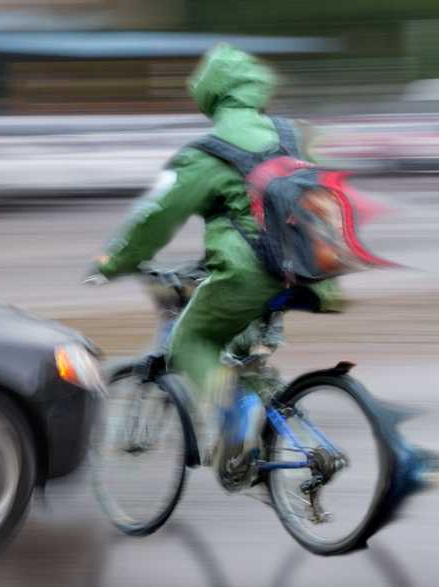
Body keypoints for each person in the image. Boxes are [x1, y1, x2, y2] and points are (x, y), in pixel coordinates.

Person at [87, 44, 342, 450]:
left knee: (189, 339)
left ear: (210, 92)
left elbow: (156, 218)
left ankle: (235, 419)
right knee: (239, 338)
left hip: (251, 275)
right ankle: (258, 441)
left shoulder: (206, 153)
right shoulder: (297, 134)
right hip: (313, 274)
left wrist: (114, 262)